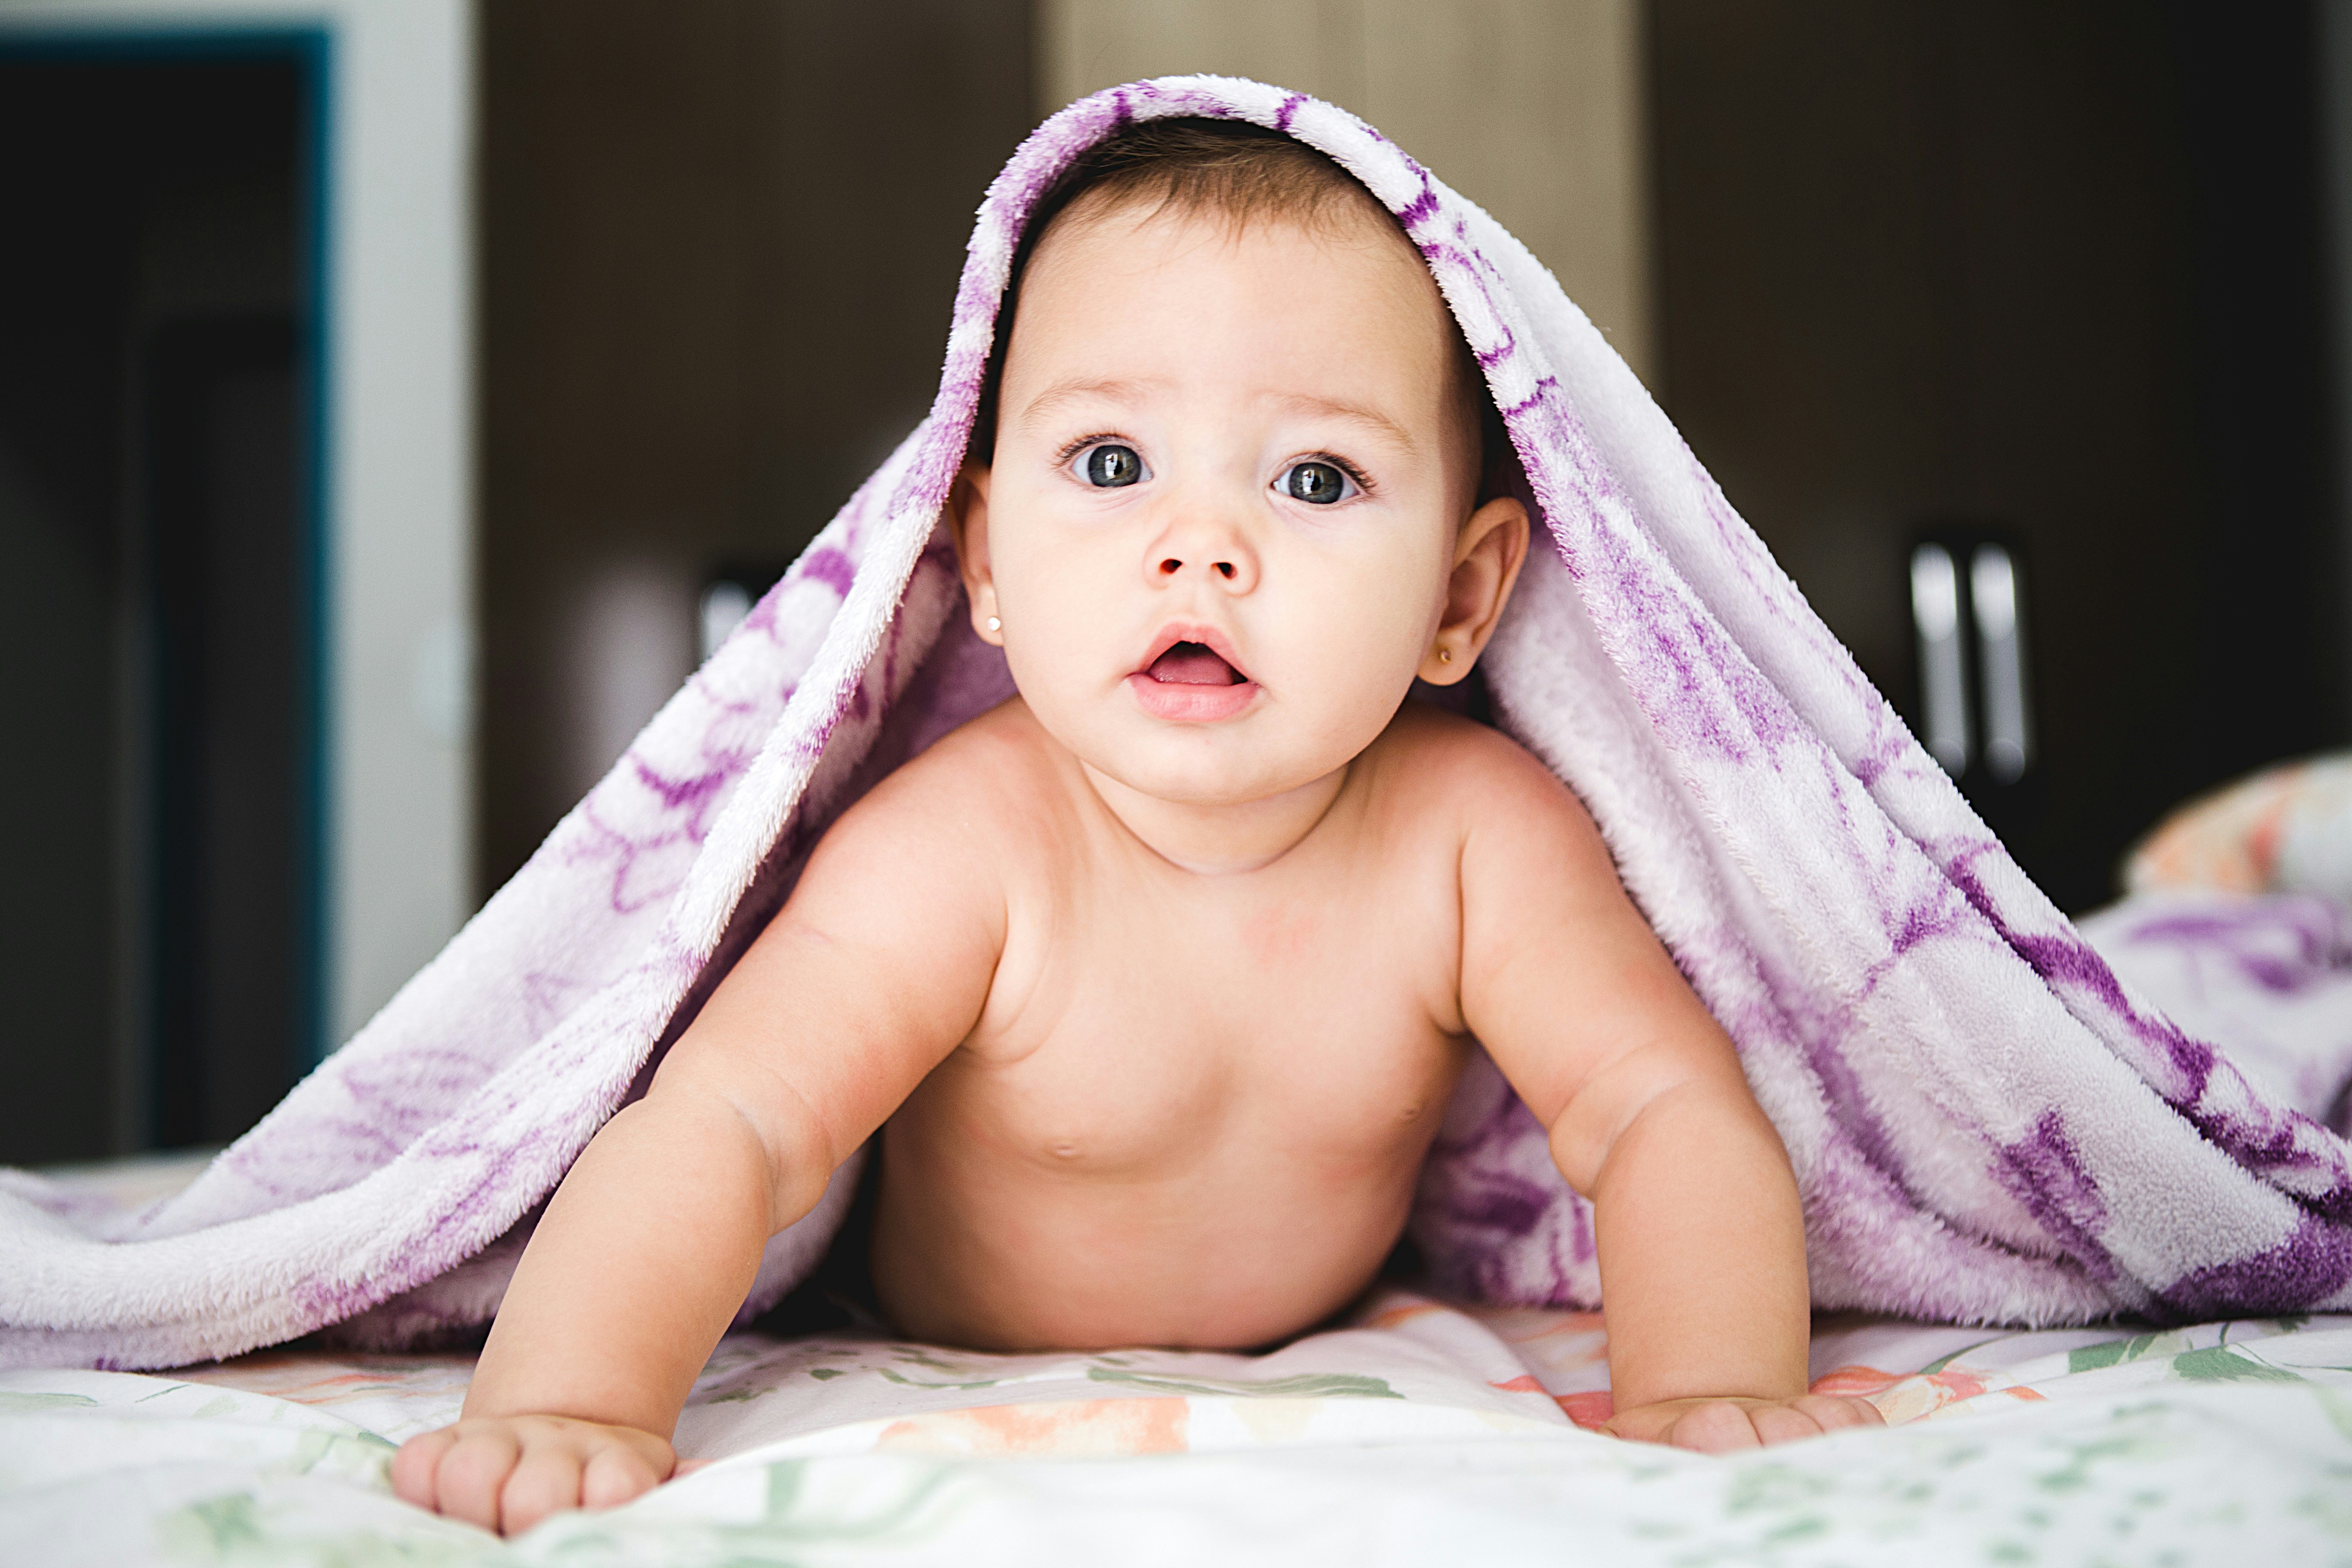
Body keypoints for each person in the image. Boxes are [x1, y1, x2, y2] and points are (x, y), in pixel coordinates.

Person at [392, 119, 1883, 1535]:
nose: (1200, 547)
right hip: (942, 1335)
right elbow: (734, 1125)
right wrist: (576, 1401)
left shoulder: (1475, 838)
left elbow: (1661, 1109)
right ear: (982, 559)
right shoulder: (965, 848)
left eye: (1315, 478)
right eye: (1112, 464)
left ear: (1459, 597)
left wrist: (1710, 1389)